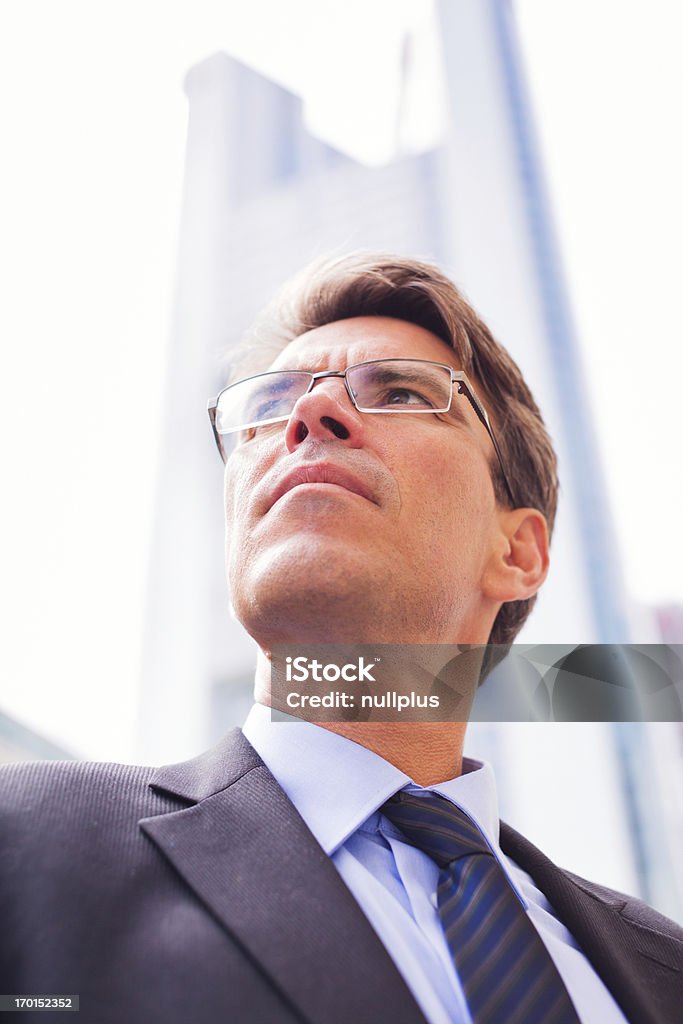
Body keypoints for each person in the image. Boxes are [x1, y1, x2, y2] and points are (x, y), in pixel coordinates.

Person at [1, 253, 681, 1023]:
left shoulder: (665, 967)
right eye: (269, 404)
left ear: (517, 552)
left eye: (398, 392)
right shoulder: (20, 847)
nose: (307, 418)